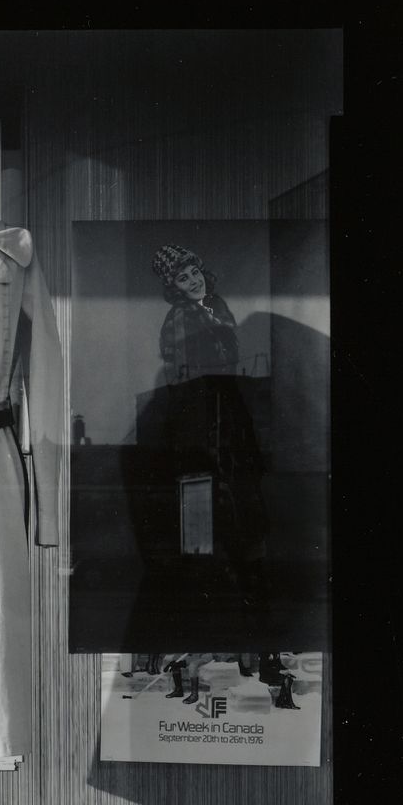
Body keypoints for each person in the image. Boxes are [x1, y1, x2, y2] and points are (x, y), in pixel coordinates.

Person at [151, 242, 270, 608]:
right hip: (201, 413)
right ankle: (216, 590)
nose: (193, 281)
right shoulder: (180, 319)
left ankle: (246, 582)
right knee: (209, 490)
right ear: (175, 287)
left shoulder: (216, 307)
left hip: (228, 404)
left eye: (194, 272)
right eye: (183, 278)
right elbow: (183, 379)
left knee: (240, 489)